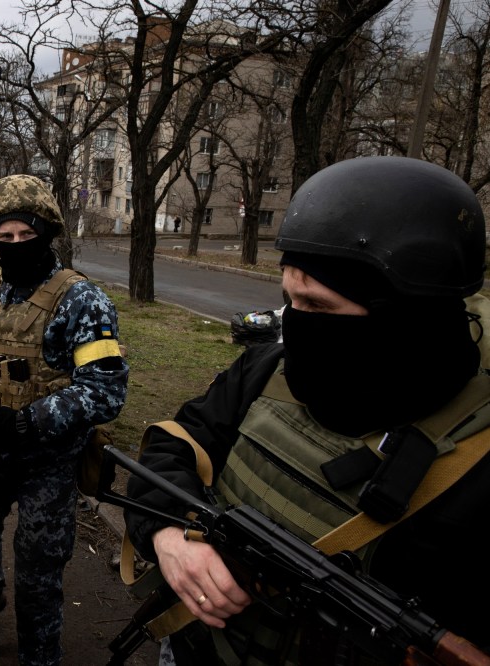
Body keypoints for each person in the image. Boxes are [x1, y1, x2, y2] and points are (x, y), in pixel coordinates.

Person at [124, 156, 490, 664]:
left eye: (317, 306)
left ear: (408, 317)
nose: (295, 324)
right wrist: (169, 534)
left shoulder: (475, 460)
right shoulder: (268, 370)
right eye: (288, 300)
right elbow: (171, 445)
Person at [0, 174, 129, 666]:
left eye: (26, 235)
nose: (15, 245)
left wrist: (28, 422)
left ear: (47, 232)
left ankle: (40, 657)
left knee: (38, 572)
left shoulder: (82, 301)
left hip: (49, 463)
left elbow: (104, 390)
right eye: (5, 237)